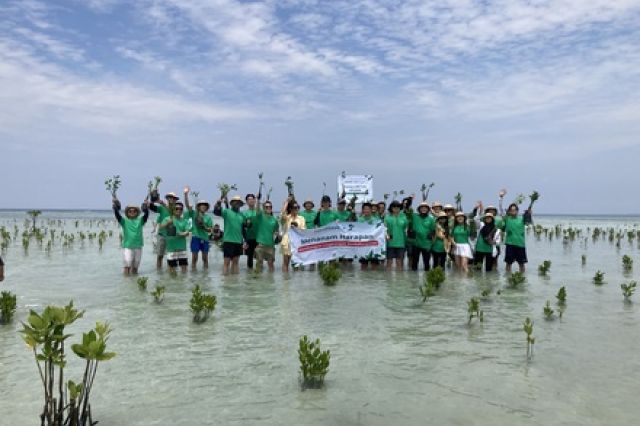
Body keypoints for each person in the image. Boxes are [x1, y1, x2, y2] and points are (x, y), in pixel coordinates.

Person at [113, 198, 149, 275]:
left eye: (134, 211)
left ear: (137, 213)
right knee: (127, 266)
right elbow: (117, 215)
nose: (132, 212)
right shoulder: (124, 221)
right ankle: (126, 283)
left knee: (135, 267)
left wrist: (146, 207)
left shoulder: (140, 221)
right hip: (128, 247)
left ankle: (133, 283)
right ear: (127, 213)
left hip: (138, 246)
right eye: (130, 211)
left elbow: (146, 216)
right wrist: (115, 207)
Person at [213, 195, 246, 275]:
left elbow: (243, 229)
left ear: (240, 204)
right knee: (226, 263)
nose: (237, 204)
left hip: (238, 241)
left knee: (236, 263)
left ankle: (234, 282)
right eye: (235, 202)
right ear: (232, 204)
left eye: (238, 202)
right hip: (228, 241)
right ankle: (225, 282)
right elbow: (216, 212)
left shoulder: (242, 215)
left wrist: (246, 241)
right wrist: (218, 203)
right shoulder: (227, 212)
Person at [149, 192, 182, 269]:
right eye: (169, 197)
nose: (171, 199)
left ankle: (170, 273)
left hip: (172, 233)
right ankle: (159, 273)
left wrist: (163, 203)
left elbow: (172, 212)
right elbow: (152, 208)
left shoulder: (177, 209)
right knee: (160, 255)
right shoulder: (161, 208)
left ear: (175, 200)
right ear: (167, 199)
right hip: (161, 234)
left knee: (171, 256)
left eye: (173, 198)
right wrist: (152, 199)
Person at [159, 201, 190, 273]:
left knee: (184, 269)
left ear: (182, 210)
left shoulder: (184, 220)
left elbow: (187, 231)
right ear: (173, 210)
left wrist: (184, 233)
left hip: (182, 247)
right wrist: (167, 223)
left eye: (180, 209)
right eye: (176, 208)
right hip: (171, 248)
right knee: (172, 269)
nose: (178, 210)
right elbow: (160, 228)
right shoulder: (167, 218)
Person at [185, 191, 213, 270]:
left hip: (205, 239)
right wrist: (186, 194)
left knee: (205, 259)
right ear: (198, 207)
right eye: (201, 205)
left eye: (205, 206)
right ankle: (194, 276)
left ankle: (205, 276)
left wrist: (204, 226)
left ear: (207, 208)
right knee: (194, 258)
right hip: (195, 238)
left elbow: (210, 230)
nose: (203, 207)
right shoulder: (194, 214)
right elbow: (187, 205)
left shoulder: (208, 217)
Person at [503, 202, 533, 273]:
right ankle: (508, 279)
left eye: (515, 210)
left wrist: (529, 214)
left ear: (517, 211)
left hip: (520, 244)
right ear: (509, 211)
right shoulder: (507, 218)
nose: (513, 211)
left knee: (521, 264)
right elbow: (501, 210)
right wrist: (501, 198)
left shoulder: (522, 219)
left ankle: (521, 280)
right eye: (511, 210)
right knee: (508, 263)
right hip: (510, 244)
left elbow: (529, 222)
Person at [280, 198, 306, 273]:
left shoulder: (301, 218)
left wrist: (296, 226)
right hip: (287, 242)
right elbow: (282, 214)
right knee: (285, 263)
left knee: (297, 264)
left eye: (297, 207)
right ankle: (285, 281)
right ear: (290, 209)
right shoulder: (287, 218)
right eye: (294, 207)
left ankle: (295, 283)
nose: (296, 209)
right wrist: (287, 202)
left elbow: (304, 230)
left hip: (297, 243)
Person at [254, 199, 280, 273]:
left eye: (270, 207)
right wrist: (258, 200)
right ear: (264, 208)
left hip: (270, 245)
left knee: (271, 264)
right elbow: (257, 209)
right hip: (261, 245)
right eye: (266, 207)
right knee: (259, 264)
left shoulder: (274, 220)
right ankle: (258, 281)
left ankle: (271, 281)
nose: (268, 208)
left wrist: (278, 236)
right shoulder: (260, 216)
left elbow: (276, 231)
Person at [411, 202, 435, 271]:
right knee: (414, 263)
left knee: (427, 264)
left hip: (426, 244)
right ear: (419, 209)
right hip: (416, 243)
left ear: (428, 209)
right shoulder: (414, 216)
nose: (424, 209)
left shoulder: (431, 219)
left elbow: (433, 230)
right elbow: (407, 212)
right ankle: (413, 280)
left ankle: (426, 279)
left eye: (425, 208)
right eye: (422, 207)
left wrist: (431, 239)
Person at [384, 200, 408, 271]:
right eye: (394, 206)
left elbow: (406, 228)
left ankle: (399, 280)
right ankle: (388, 280)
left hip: (401, 243)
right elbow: (384, 229)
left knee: (399, 263)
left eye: (398, 207)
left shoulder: (404, 217)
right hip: (390, 243)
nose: (396, 208)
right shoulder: (387, 217)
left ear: (400, 208)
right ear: (391, 208)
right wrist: (387, 235)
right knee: (389, 262)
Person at [357, 202, 381, 270]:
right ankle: (364, 280)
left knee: (374, 267)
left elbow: (380, 232)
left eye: (368, 209)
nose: (366, 210)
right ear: (362, 210)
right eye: (365, 209)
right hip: (363, 246)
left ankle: (373, 280)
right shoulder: (359, 220)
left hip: (373, 246)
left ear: (371, 210)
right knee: (363, 266)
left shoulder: (376, 220)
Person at [243, 194, 259, 270]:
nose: (251, 201)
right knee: (250, 257)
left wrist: (258, 198)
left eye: (252, 199)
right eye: (249, 199)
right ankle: (249, 276)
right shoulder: (244, 213)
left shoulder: (258, 211)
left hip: (259, 238)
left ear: (255, 200)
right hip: (249, 238)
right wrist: (244, 241)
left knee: (259, 257)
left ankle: (259, 274)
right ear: (246, 202)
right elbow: (242, 227)